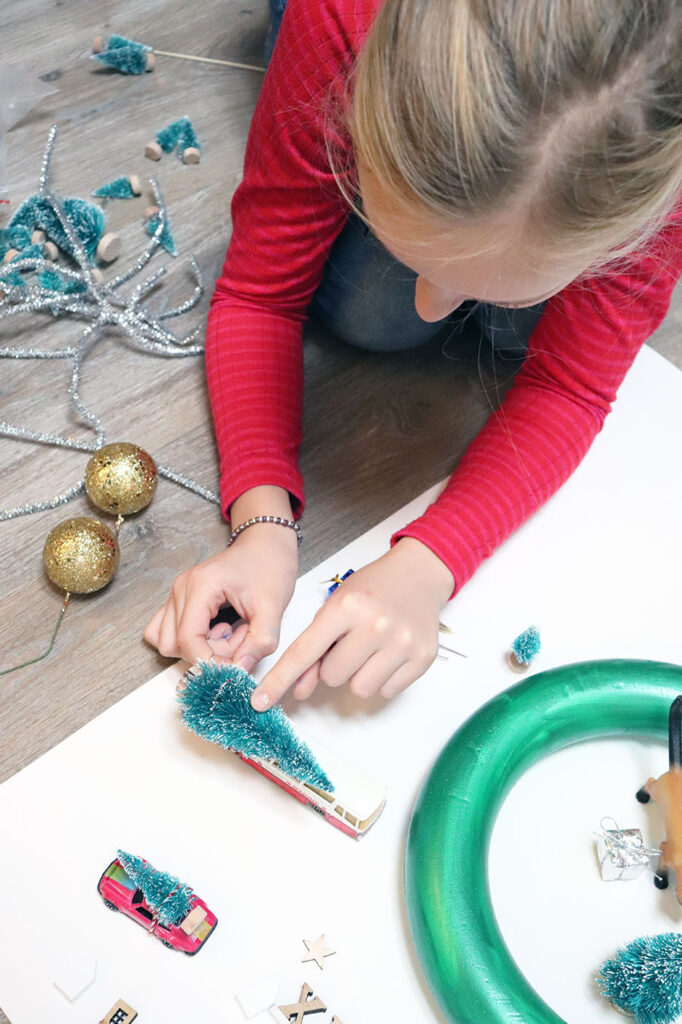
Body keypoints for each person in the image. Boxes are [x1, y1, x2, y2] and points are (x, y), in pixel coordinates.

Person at [145, 0, 682, 711]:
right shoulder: (339, 23)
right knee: (379, 313)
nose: (435, 307)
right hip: (342, 43)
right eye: (417, 255)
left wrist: (433, 561)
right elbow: (257, 293)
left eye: (486, 286)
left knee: (473, 324)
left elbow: (573, 388)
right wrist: (261, 521)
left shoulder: (653, 159)